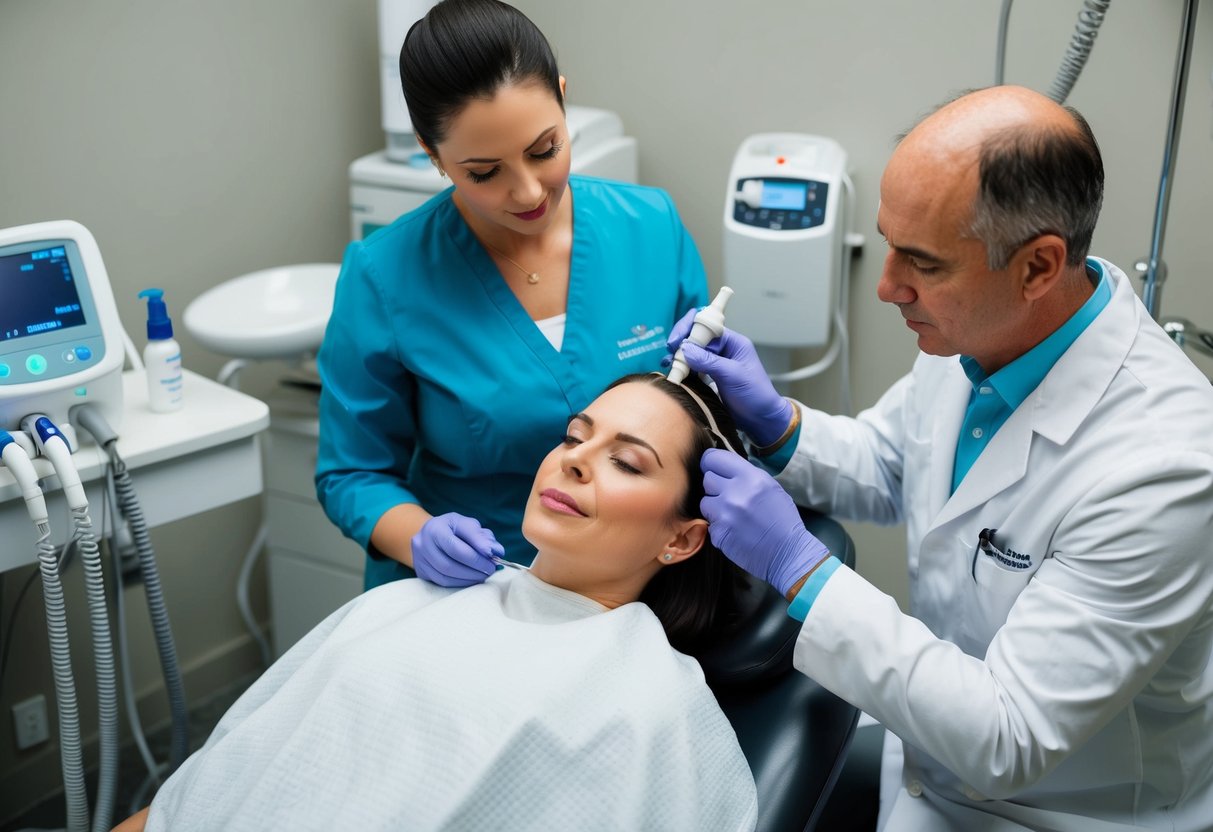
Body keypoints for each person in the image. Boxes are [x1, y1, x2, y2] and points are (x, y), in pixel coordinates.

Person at [669, 85, 1213, 830]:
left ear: (1036, 267)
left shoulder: (1163, 468)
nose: (888, 285)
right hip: (927, 773)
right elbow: (892, 465)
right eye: (888, 242)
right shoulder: (975, 335)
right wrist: (776, 424)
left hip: (1060, 813)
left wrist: (799, 567)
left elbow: (1009, 735)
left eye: (920, 263)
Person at [113, 374, 757, 832]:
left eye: (627, 462)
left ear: (682, 538)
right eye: (572, 437)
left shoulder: (645, 698)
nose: (576, 462)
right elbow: (208, 790)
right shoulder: (409, 604)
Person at [315, 0, 707, 591]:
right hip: (472, 588)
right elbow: (352, 473)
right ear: (432, 153)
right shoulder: (384, 277)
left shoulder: (650, 226)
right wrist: (421, 537)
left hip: (630, 588)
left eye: (545, 149)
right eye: (483, 172)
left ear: (564, 98)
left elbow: (699, 412)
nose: (527, 191)